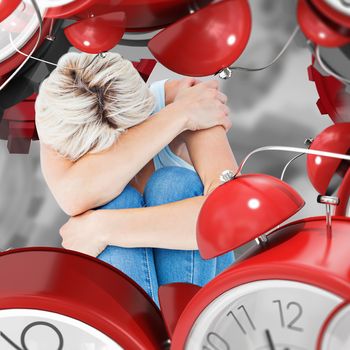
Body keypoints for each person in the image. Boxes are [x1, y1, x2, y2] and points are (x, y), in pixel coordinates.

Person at [35, 52, 239, 307]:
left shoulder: (182, 97)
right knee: (115, 201)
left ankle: (179, 333)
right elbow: (72, 197)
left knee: (173, 184)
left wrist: (101, 228)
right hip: (126, 310)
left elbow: (231, 215)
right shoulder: (62, 119)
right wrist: (178, 117)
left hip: (204, 291)